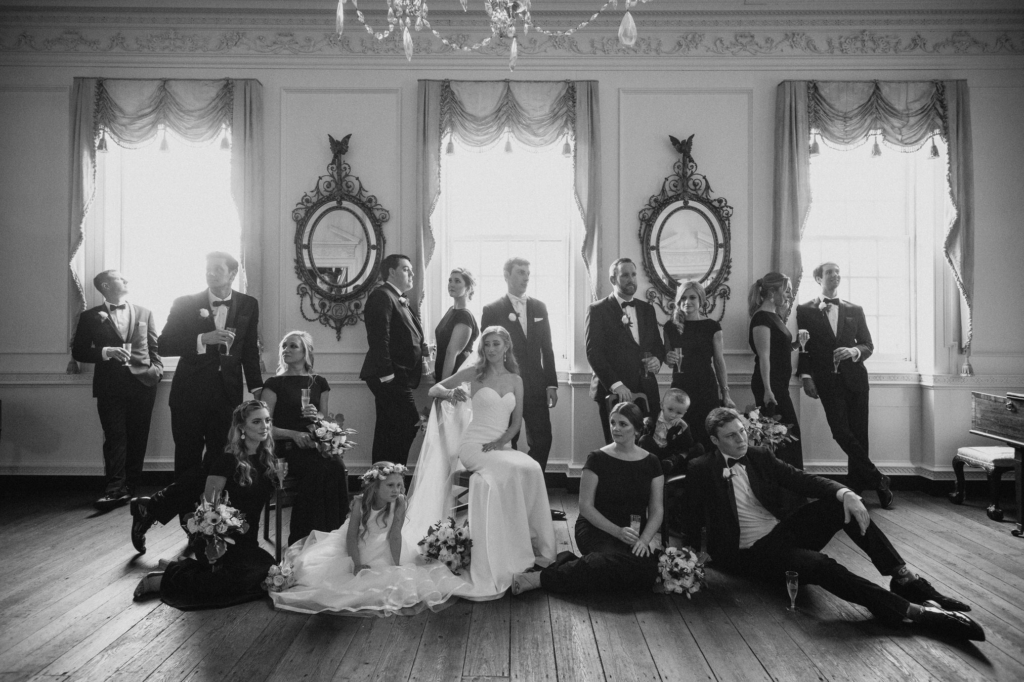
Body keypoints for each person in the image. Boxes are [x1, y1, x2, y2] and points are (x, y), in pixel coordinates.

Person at [684, 407, 984, 641]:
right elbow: (689, 514)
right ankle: (913, 611)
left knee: (841, 505)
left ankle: (904, 577)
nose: (741, 440)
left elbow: (800, 479)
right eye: (731, 437)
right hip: (751, 553)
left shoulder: (758, 455)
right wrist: (695, 553)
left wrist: (846, 493)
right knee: (821, 565)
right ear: (714, 441)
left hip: (782, 532)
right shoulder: (701, 469)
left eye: (742, 431)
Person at [427, 326, 557, 599]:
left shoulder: (515, 380)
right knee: (510, 469)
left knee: (531, 467)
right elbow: (435, 389)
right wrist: (449, 394)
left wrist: (502, 442)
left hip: (501, 446)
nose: (491, 350)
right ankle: (510, 553)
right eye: (487, 345)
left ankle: (541, 550)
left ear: (507, 347)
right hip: (474, 445)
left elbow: (516, 420)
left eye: (496, 344)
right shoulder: (475, 372)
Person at [132, 401, 280, 610]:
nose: (264, 426)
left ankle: (185, 567)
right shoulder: (227, 460)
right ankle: (162, 579)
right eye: (256, 421)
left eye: (267, 420)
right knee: (233, 583)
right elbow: (208, 506)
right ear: (241, 428)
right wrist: (215, 538)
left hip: (247, 542)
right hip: (219, 539)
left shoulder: (267, 460)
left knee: (267, 573)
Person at [270, 463, 466, 616]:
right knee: (318, 571)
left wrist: (397, 565)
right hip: (355, 542)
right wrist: (356, 563)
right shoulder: (360, 503)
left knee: (395, 572)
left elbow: (395, 535)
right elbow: (352, 535)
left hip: (384, 542)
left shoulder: (399, 502)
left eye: (399, 485)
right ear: (375, 486)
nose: (396, 490)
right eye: (390, 485)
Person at [511, 402, 663, 595]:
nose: (615, 428)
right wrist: (617, 531)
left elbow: (657, 509)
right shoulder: (597, 458)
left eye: (623, 424)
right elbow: (585, 507)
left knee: (643, 572)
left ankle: (567, 562)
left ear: (637, 429)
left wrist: (644, 539)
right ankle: (538, 579)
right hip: (595, 528)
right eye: (613, 422)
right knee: (608, 564)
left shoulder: (652, 462)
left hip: (633, 533)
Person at [158, 252, 264, 478]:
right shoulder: (185, 303)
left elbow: (249, 350)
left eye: (218, 269)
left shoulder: (248, 304)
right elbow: (164, 345)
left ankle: (217, 511)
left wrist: (257, 388)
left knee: (223, 455)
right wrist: (202, 339)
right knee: (188, 455)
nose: (211, 273)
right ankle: (187, 512)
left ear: (233, 273)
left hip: (227, 395)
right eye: (208, 269)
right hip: (189, 393)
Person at [796, 262, 892, 508]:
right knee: (840, 431)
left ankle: (858, 486)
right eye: (830, 272)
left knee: (859, 435)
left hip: (856, 380)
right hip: (827, 381)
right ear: (819, 278)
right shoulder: (805, 309)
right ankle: (879, 478)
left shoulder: (854, 309)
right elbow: (804, 348)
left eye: (838, 272)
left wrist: (853, 351)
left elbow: (868, 344)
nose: (836, 276)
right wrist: (806, 377)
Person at [480, 258, 564, 520]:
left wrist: (551, 382)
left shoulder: (539, 306)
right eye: (520, 273)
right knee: (509, 441)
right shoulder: (492, 308)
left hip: (538, 385)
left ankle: (532, 497)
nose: (526, 277)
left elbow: (547, 348)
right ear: (506, 275)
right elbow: (487, 351)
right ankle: (510, 502)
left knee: (543, 437)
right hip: (506, 386)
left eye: (528, 273)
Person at [72, 270, 163, 509]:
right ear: (105, 285)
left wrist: (157, 371)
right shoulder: (90, 316)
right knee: (115, 438)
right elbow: (79, 352)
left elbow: (154, 347)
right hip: (110, 386)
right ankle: (114, 489)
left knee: (138, 436)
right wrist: (105, 352)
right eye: (120, 278)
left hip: (144, 384)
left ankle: (131, 488)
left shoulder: (145, 312)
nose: (126, 280)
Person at [261, 331, 348, 544]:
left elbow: (326, 420)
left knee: (335, 465)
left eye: (293, 346)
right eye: (284, 346)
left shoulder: (319, 382)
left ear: (306, 352)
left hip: (314, 445)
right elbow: (263, 426)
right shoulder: (273, 384)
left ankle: (333, 536)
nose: (286, 350)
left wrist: (316, 417)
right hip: (286, 448)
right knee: (317, 469)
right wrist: (293, 434)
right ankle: (303, 538)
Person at [360, 254, 429, 466]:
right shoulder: (382, 296)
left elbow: (406, 335)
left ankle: (382, 480)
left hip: (398, 375)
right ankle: (393, 473)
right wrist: (387, 374)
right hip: (390, 375)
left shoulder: (398, 298)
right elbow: (379, 336)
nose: (412, 274)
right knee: (409, 423)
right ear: (391, 271)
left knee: (387, 428)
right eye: (406, 269)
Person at [586, 258, 665, 443]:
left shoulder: (647, 309)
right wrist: (616, 384)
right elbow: (593, 352)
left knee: (647, 444)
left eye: (634, 274)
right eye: (625, 275)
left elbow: (658, 347)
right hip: (614, 391)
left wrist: (657, 360)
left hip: (647, 388)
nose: (631, 279)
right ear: (613, 280)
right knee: (617, 446)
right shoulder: (598, 310)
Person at [663, 280, 734, 451]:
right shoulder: (670, 327)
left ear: (701, 300)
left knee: (708, 432)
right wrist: (668, 358)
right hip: (680, 388)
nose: (688, 302)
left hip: (705, 387)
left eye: (692, 297)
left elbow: (718, 362)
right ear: (679, 301)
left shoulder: (712, 326)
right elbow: (666, 358)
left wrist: (725, 394)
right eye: (683, 298)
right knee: (681, 435)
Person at [748, 272, 803, 469]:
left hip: (779, 384)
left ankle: (791, 489)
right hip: (769, 386)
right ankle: (786, 490)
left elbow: (779, 350)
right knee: (781, 436)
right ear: (772, 292)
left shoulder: (775, 316)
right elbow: (764, 357)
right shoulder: (762, 318)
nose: (788, 295)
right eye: (786, 291)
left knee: (784, 436)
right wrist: (768, 390)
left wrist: (797, 343)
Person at [435, 267, 479, 381]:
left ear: (468, 287)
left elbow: (451, 353)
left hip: (455, 375)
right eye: (450, 280)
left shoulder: (464, 316)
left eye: (457, 281)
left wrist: (443, 385)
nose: (451, 284)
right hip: (443, 371)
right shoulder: (451, 310)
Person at [637, 388, 694, 477]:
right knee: (644, 439)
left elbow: (688, 445)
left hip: (669, 454)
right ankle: (654, 468)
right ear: (662, 405)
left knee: (697, 448)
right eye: (670, 409)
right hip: (653, 453)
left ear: (684, 413)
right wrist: (646, 424)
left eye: (679, 413)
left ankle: (667, 465)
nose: (673, 415)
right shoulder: (652, 417)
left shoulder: (681, 424)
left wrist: (684, 427)